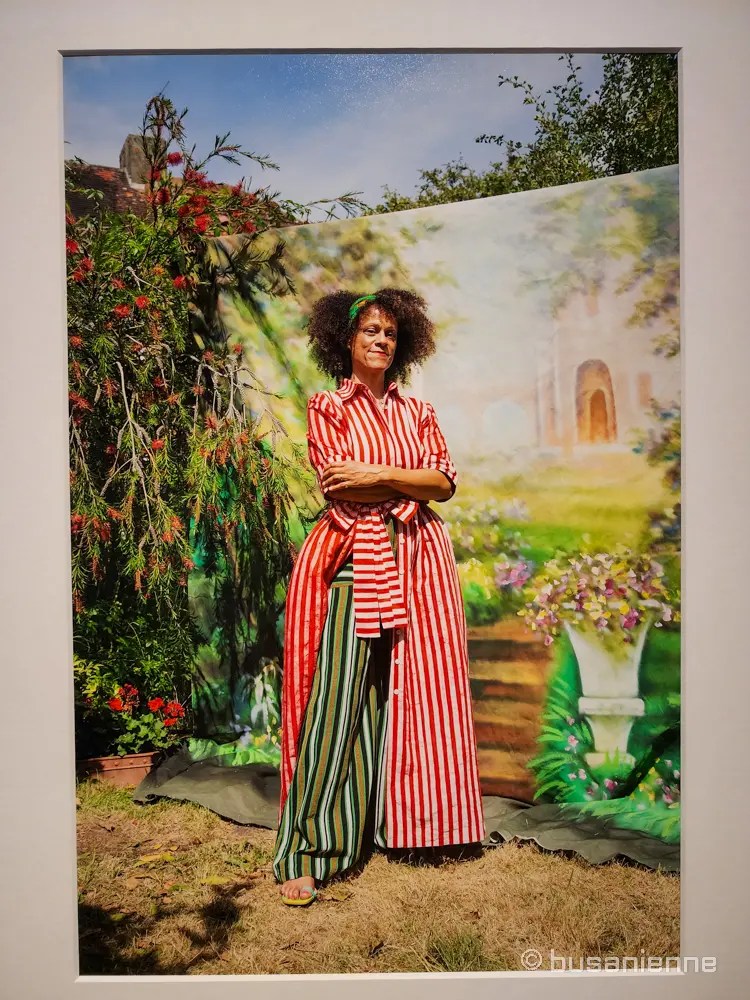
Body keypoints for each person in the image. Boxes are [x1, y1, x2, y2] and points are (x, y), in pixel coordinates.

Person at [274, 288, 485, 905]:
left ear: (404, 343)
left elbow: (443, 482)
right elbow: (339, 485)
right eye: (369, 330)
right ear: (346, 339)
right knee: (335, 701)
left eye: (390, 333)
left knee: (416, 696)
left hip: (419, 563)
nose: (380, 341)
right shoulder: (327, 406)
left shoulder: (417, 411)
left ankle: (416, 825)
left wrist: (380, 477)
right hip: (350, 561)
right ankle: (308, 849)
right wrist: (399, 484)